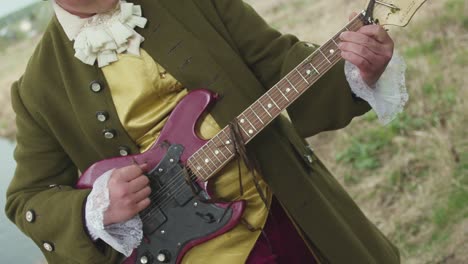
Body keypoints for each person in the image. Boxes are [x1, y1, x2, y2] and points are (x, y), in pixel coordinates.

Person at [5, 0, 407, 263]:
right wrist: (96, 208)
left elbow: (277, 63)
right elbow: (27, 199)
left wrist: (356, 69)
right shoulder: (37, 87)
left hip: (289, 211)